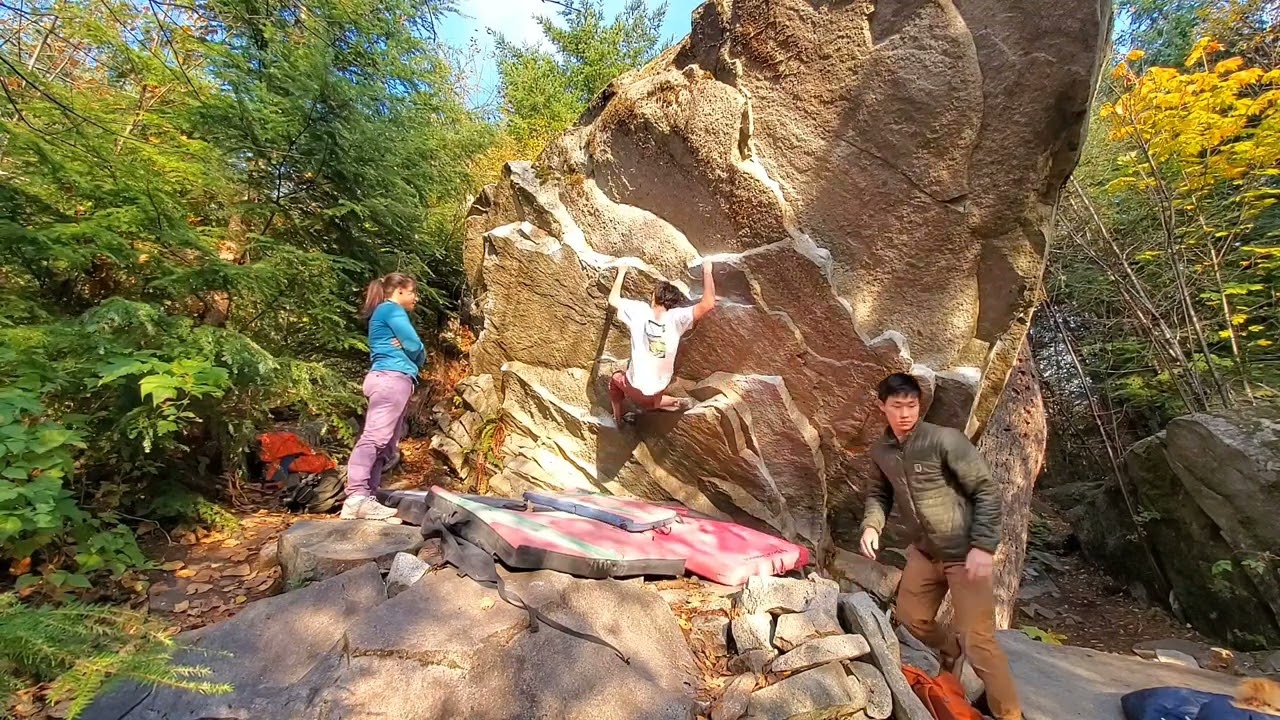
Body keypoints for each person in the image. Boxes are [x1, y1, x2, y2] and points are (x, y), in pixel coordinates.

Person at [857, 372, 1022, 720]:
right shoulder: (881, 450)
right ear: (881, 406)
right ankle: (950, 649)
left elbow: (987, 492)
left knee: (980, 643)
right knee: (910, 619)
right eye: (897, 406)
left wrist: (983, 546)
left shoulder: (944, 440)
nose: (905, 413)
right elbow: (879, 494)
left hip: (965, 552)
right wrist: (872, 526)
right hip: (924, 552)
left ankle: (1010, 715)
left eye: (912, 405)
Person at [342, 272, 425, 521]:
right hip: (391, 378)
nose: (416, 298)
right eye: (413, 292)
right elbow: (414, 345)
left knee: (387, 444)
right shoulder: (391, 310)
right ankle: (356, 496)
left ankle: (369, 497)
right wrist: (419, 354)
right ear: (399, 290)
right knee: (375, 438)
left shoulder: (385, 312)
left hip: (392, 379)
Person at [607, 260, 716, 426]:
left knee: (615, 380)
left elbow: (613, 299)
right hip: (658, 388)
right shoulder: (678, 318)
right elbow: (708, 303)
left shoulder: (639, 311)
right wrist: (707, 270)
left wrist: (621, 271)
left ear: (653, 297)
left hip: (634, 386)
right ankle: (671, 403)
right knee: (651, 400)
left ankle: (617, 418)